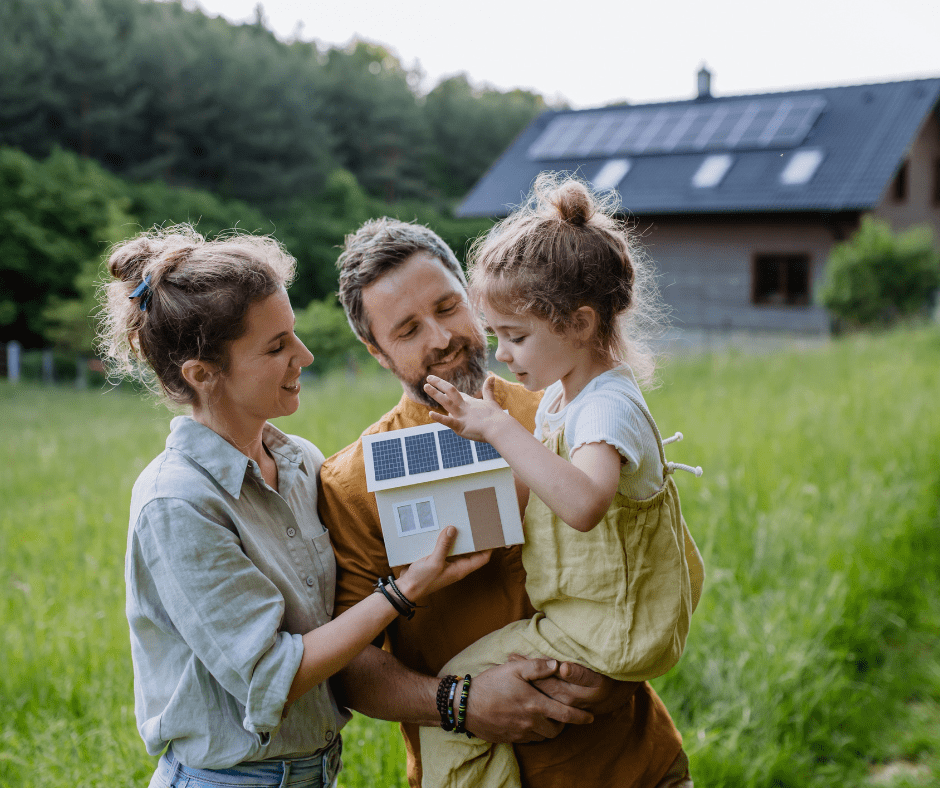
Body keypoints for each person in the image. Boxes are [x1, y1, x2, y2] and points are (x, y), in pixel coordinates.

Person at [99, 226, 488, 788]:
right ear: (202, 375)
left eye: (295, 336)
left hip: (316, 771)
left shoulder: (302, 462)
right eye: (276, 347)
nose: (303, 356)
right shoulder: (176, 502)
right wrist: (402, 593)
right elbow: (269, 676)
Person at [318, 216, 698, 787]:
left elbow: (646, 562)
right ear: (377, 351)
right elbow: (349, 667)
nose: (441, 338)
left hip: (632, 764)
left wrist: (613, 673)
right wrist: (459, 703)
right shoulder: (351, 482)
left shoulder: (564, 405)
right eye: (408, 330)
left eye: (448, 308)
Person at [418, 174, 705, 787]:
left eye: (516, 337)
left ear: (578, 323)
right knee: (467, 700)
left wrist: (498, 428)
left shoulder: (604, 409)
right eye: (497, 335)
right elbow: (539, 492)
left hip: (609, 629)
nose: (502, 355)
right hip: (591, 619)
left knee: (453, 701)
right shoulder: (564, 397)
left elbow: (582, 505)